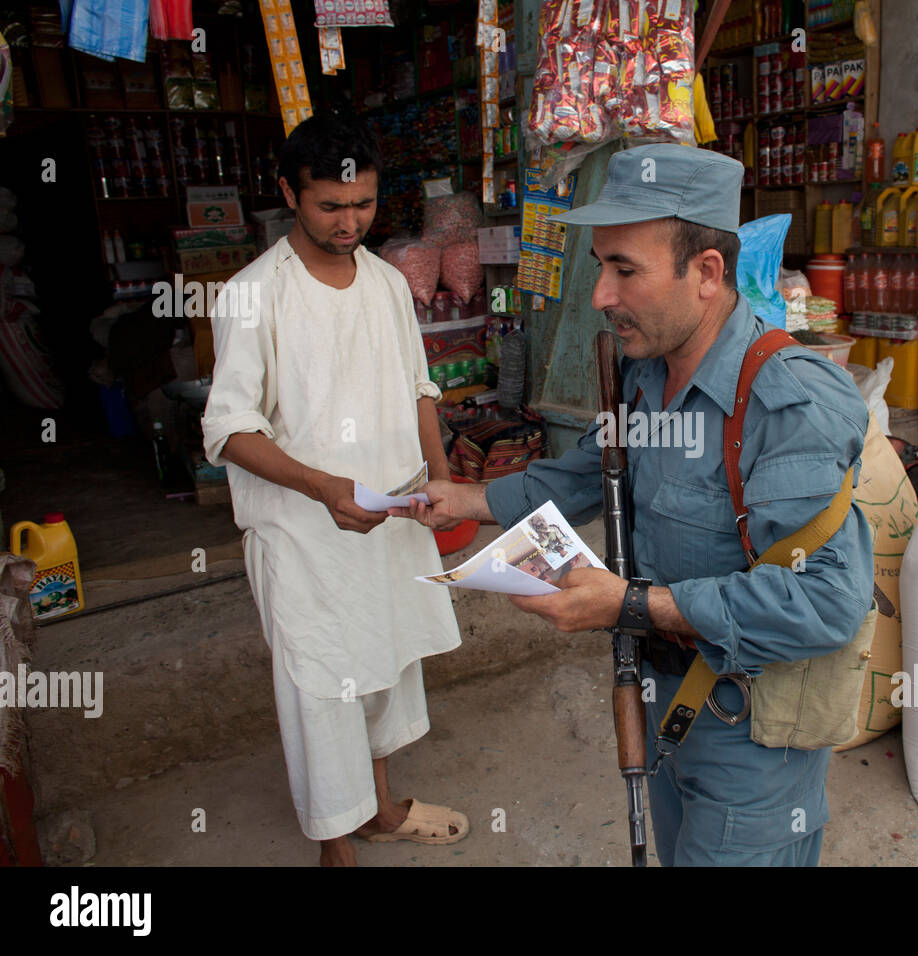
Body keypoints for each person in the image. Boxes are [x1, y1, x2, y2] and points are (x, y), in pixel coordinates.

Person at [393, 144, 874, 866]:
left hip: (753, 734)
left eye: (626, 270)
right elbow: (585, 474)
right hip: (661, 700)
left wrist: (631, 604)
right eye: (600, 265)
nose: (600, 296)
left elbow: (829, 603)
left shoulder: (787, 402)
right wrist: (464, 496)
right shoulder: (645, 374)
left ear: (707, 273)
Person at [200, 113, 466, 866]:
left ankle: (378, 810)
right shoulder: (253, 296)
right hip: (304, 532)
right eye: (329, 206)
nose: (350, 223)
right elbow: (228, 430)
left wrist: (441, 481)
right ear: (290, 192)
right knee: (320, 689)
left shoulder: (385, 283)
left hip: (386, 518)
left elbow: (419, 389)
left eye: (364, 205)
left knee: (381, 663)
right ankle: (334, 848)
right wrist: (321, 487)